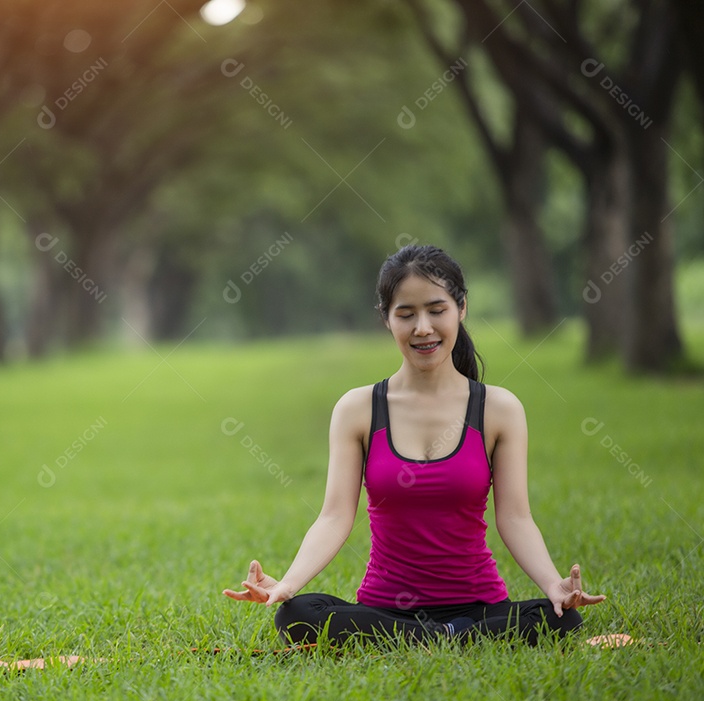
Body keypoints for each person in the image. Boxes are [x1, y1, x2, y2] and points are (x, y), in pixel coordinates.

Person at [223, 245, 605, 646]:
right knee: (297, 615)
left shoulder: (498, 408)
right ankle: (452, 639)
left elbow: (515, 518)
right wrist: (289, 583)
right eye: (406, 314)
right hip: (386, 609)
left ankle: (432, 637)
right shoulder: (358, 409)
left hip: (478, 606)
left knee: (561, 619)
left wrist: (552, 585)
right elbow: (335, 516)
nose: (423, 328)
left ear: (461, 309)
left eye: (437, 310)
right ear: (387, 320)